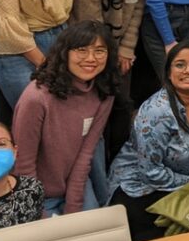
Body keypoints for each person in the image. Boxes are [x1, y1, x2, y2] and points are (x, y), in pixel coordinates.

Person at [108, 41, 189, 241]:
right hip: (140, 191)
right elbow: (149, 172)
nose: (188, 70)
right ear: (168, 73)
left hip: (185, 186)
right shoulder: (156, 112)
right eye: (179, 65)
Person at [13, 21, 120, 216]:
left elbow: (85, 155)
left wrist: (73, 208)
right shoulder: (36, 98)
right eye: (81, 50)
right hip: (37, 192)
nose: (91, 58)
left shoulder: (104, 91)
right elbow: (24, 166)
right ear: (65, 53)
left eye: (99, 51)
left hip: (75, 181)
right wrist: (40, 215)